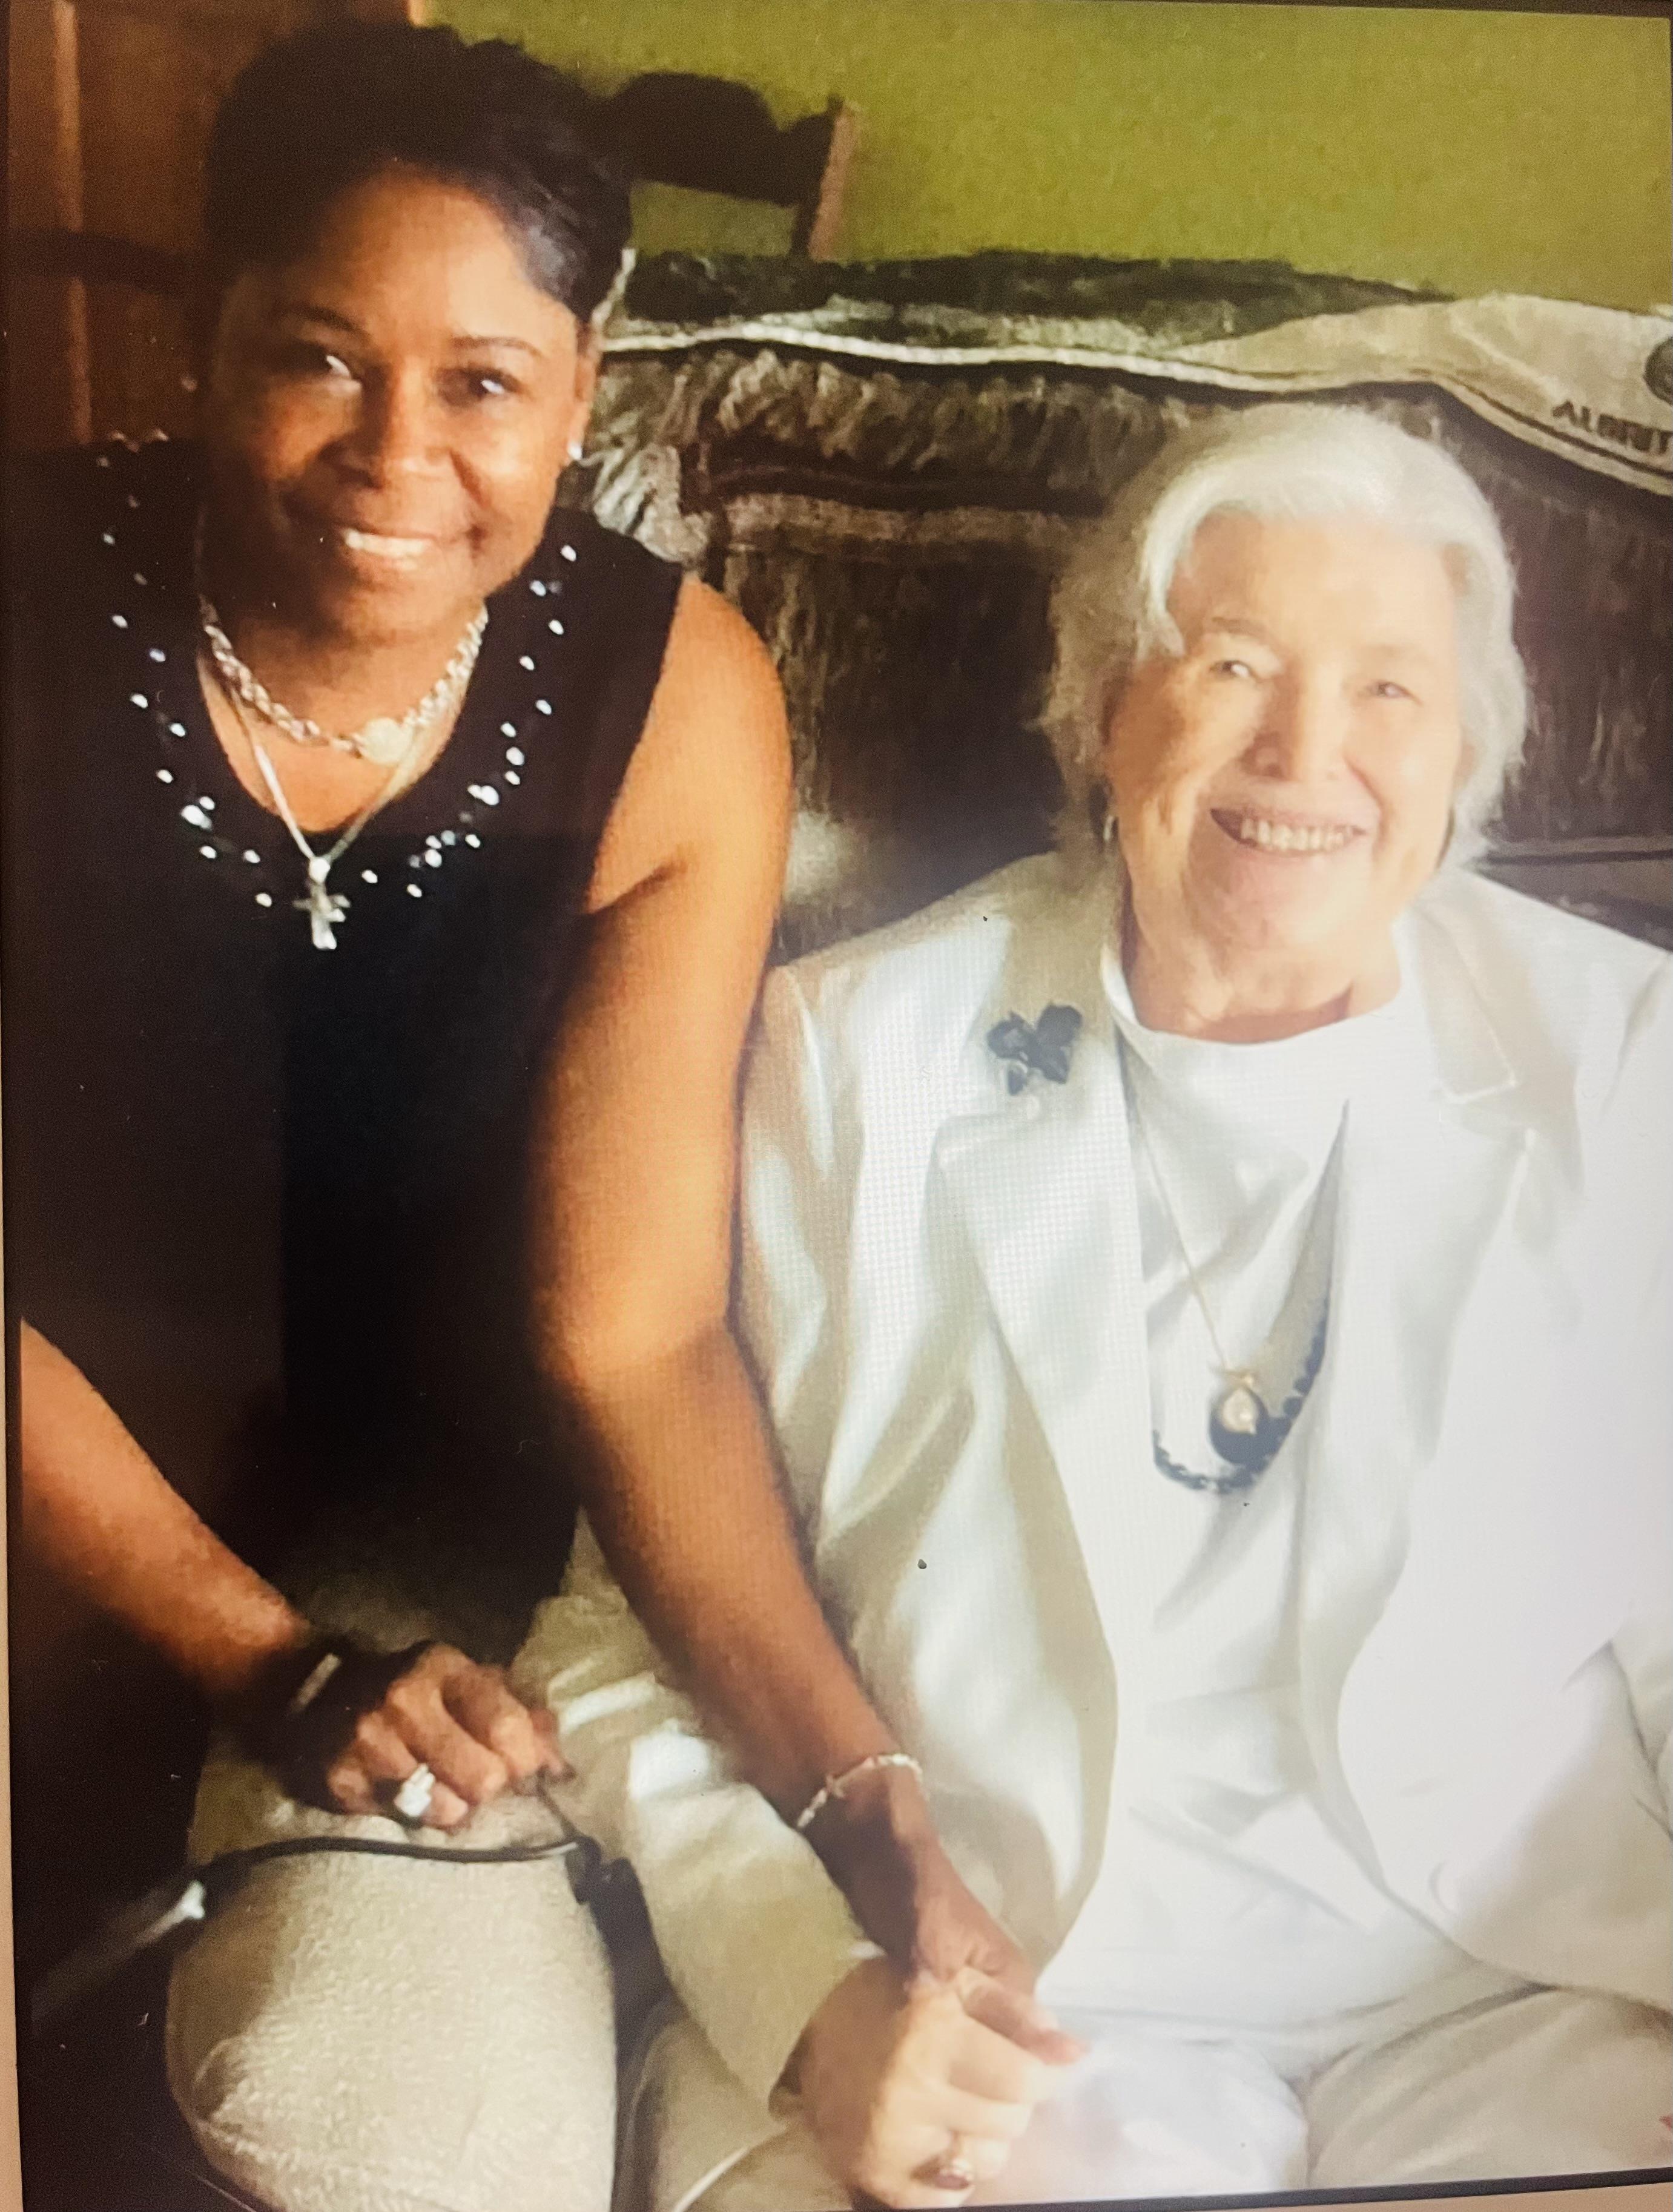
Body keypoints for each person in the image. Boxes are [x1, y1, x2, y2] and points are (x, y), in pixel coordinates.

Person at [7, 21, 1012, 2203]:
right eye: (318, 356)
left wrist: (861, 1801)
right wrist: (263, 1662)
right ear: (203, 335)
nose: (398, 457)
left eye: (483, 382)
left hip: (406, 1523)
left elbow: (628, 1336)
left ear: (584, 381)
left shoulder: (675, 703)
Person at [480, 404, 1663, 2211]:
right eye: (1233, 664)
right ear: (1106, 709)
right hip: (1011, 2011)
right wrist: (807, 1999)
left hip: (1522, 2005)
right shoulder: (853, 1062)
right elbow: (620, 1624)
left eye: (1388, 691)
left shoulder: (1630, 1066)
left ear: (1468, 756)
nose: (1307, 754)